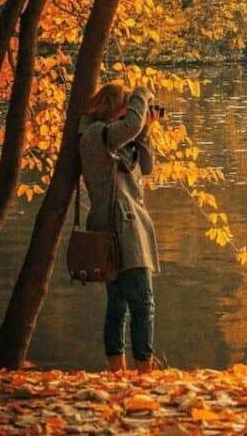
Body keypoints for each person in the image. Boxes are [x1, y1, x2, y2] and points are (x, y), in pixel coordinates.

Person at [79, 82, 161, 373]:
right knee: (143, 305)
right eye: (126, 106)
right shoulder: (94, 135)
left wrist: (146, 131)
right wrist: (141, 93)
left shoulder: (116, 140)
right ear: (113, 108)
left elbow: (148, 166)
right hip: (119, 229)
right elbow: (130, 126)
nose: (132, 113)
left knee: (120, 305)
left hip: (125, 227)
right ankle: (143, 372)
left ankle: (119, 373)